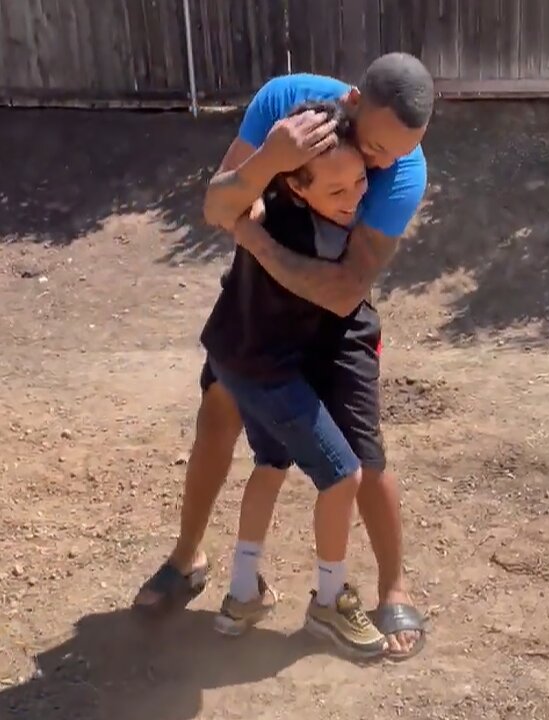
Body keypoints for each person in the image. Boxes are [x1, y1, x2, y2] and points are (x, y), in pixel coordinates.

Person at [133, 53, 432, 660]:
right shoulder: (284, 104)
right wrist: (269, 159)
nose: (383, 164)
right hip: (260, 310)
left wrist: (257, 240)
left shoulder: (402, 173)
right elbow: (219, 208)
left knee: (363, 455)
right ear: (352, 102)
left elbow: (346, 289)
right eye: (376, 145)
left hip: (336, 318)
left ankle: (392, 585)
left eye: (399, 152)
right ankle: (187, 556)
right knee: (219, 415)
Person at [202, 99, 386, 656]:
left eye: (360, 181)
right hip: (266, 369)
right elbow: (342, 289)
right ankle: (328, 602)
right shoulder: (328, 241)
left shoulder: (263, 204)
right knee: (343, 477)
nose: (355, 199)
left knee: (271, 462)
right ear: (298, 189)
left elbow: (237, 202)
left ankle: (241, 594)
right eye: (337, 191)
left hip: (231, 359)